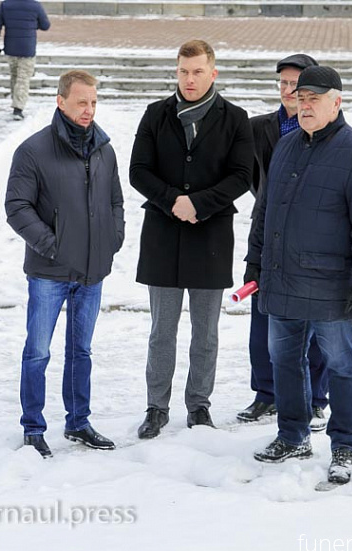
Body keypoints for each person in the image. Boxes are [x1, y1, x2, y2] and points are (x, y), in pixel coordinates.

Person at [248, 66, 352, 486]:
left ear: (336, 102)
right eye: (301, 98)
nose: (305, 105)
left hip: (333, 288)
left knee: (342, 364)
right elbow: (265, 211)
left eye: (315, 98)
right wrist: (255, 263)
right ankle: (292, 435)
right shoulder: (286, 146)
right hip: (282, 279)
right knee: (284, 361)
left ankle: (346, 443)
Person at [130, 40, 253, 438]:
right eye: (183, 71)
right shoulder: (156, 114)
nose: (190, 79)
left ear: (212, 73)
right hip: (163, 235)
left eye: (198, 72)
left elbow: (241, 175)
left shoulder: (235, 118)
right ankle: (156, 407)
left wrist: (198, 204)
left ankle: (199, 406)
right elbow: (138, 170)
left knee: (206, 332)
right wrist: (173, 202)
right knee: (161, 332)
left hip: (211, 235)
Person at [5, 70, 125, 458]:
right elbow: (17, 207)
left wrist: (112, 239)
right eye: (81, 102)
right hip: (49, 272)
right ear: (61, 102)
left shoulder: (104, 149)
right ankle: (33, 428)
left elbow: (116, 201)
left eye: (93, 102)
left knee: (81, 351)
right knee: (38, 351)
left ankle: (78, 422)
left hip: (92, 270)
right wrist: (52, 246)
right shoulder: (33, 150)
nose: (89, 110)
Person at [238, 54, 331, 433]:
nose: (289, 90)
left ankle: (316, 397)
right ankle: (266, 393)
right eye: (284, 83)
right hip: (269, 234)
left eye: (296, 84)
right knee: (263, 317)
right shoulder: (257, 127)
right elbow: (251, 176)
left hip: (311, 240)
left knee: (314, 321)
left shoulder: (326, 129)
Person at [0, 0, 51, 120]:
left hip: (10, 48)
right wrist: (33, 24)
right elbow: (45, 25)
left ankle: (16, 102)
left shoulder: (6, 5)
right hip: (27, 48)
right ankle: (18, 108)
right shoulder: (35, 5)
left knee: (14, 76)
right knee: (23, 79)